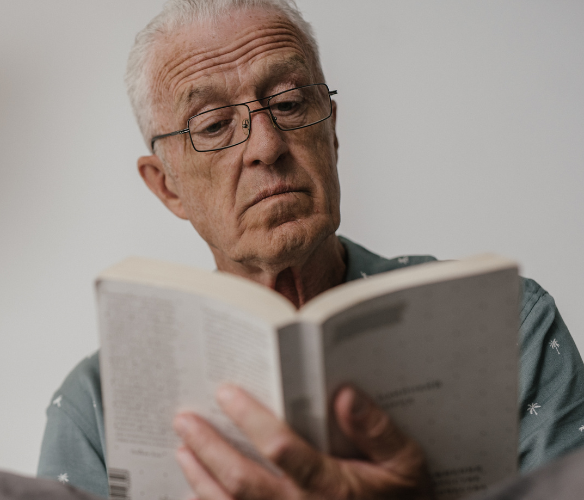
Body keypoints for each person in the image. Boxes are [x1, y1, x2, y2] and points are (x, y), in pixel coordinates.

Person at [36, 0, 584, 498]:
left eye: (291, 102)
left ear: (333, 131)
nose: (268, 145)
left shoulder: (505, 321)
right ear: (167, 186)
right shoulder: (97, 402)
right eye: (213, 124)